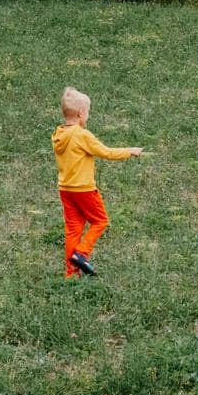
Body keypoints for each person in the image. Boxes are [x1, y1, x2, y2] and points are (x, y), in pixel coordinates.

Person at [52, 87, 144, 278]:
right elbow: (106, 152)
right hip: (84, 189)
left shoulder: (59, 135)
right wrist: (130, 151)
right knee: (100, 220)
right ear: (81, 113)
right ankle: (82, 254)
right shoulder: (82, 135)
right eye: (88, 113)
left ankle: (70, 275)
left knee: (73, 229)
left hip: (65, 189)